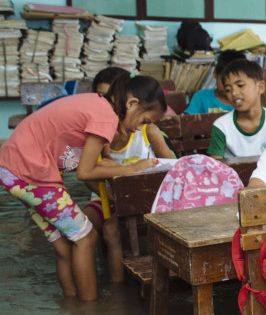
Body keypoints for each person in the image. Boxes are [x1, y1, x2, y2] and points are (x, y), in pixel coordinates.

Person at [0, 75, 167, 300]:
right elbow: (84, 172)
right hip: (31, 172)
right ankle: (90, 312)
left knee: (64, 245)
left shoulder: (98, 105)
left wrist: (112, 170)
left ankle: (75, 310)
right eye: (144, 121)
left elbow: (98, 160)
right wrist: (132, 168)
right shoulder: (106, 117)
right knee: (86, 237)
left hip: (12, 169)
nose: (140, 128)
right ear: (132, 103)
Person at [82, 72, 177, 282]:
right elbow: (85, 172)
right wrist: (110, 194)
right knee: (100, 228)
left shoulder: (148, 131)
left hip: (146, 200)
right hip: (107, 197)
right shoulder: (99, 133)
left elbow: (173, 166)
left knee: (115, 228)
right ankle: (117, 289)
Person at [207, 59, 266, 160]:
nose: (234, 93)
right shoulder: (221, 126)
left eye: (240, 85)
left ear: (260, 87)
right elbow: (216, 170)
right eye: (228, 89)